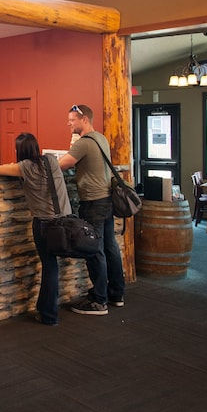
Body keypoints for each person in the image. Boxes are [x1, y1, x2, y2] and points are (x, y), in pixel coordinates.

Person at [0, 133, 69, 325]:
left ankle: (49, 314)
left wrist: (12, 165)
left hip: (45, 224)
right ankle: (47, 310)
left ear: (19, 150)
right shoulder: (51, 160)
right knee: (52, 266)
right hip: (63, 220)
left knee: (49, 267)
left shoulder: (24, 167)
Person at [58, 103, 126, 316]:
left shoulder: (84, 143)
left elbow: (60, 165)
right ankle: (116, 294)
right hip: (106, 199)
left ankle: (98, 301)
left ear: (84, 119)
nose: (69, 123)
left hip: (93, 202)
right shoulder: (101, 138)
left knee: (94, 250)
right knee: (110, 247)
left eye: (72, 120)